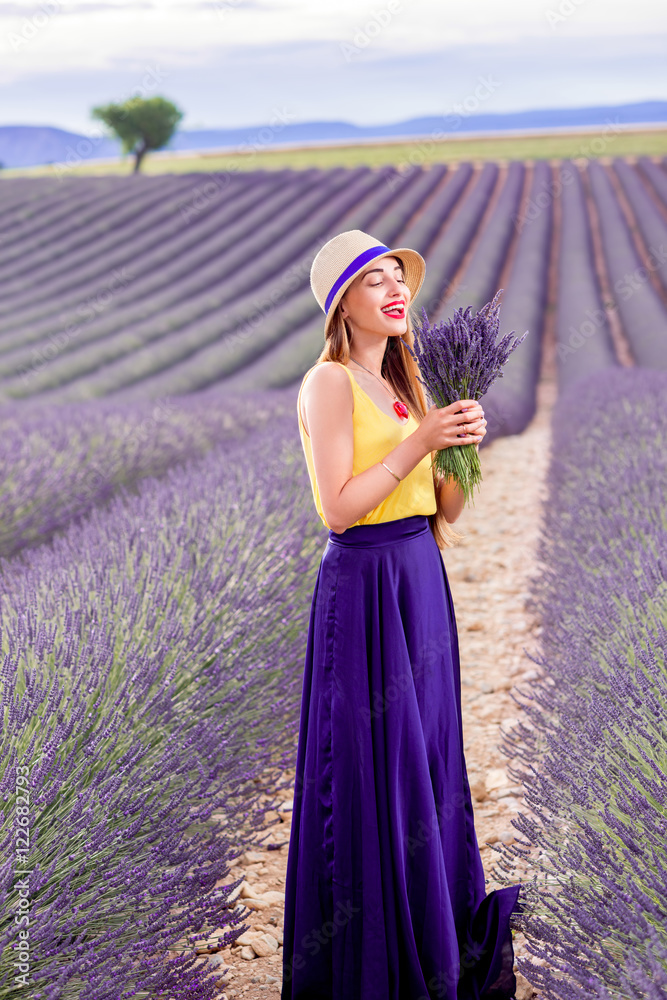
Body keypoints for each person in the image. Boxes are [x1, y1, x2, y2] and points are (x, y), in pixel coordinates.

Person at [281, 230, 525, 1000]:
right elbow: (340, 509)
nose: (394, 290)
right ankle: (373, 958)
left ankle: (433, 933)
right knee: (370, 762)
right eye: (372, 280)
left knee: (425, 754)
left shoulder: (406, 379)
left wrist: (461, 449)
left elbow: (441, 505)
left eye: (398, 276)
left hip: (419, 574)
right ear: (341, 306)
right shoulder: (329, 384)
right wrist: (419, 438)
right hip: (364, 583)